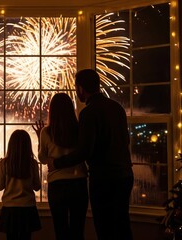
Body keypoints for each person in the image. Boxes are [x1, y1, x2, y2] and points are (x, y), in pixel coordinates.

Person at [48, 69, 134, 240]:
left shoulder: (88, 113)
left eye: (76, 88)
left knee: (105, 228)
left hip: (104, 179)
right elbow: (126, 141)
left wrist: (57, 163)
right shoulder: (117, 108)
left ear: (80, 88)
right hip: (125, 175)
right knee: (122, 225)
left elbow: (84, 151)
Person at [34, 93, 88, 240]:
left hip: (57, 184)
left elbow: (42, 159)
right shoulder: (79, 130)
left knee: (61, 230)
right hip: (79, 182)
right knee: (78, 230)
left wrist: (40, 139)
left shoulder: (46, 132)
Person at [0, 129, 42, 240]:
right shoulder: (32, 164)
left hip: (10, 208)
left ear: (10, 145)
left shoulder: (4, 163)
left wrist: (0, 169)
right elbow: (37, 187)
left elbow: (0, 186)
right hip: (27, 207)